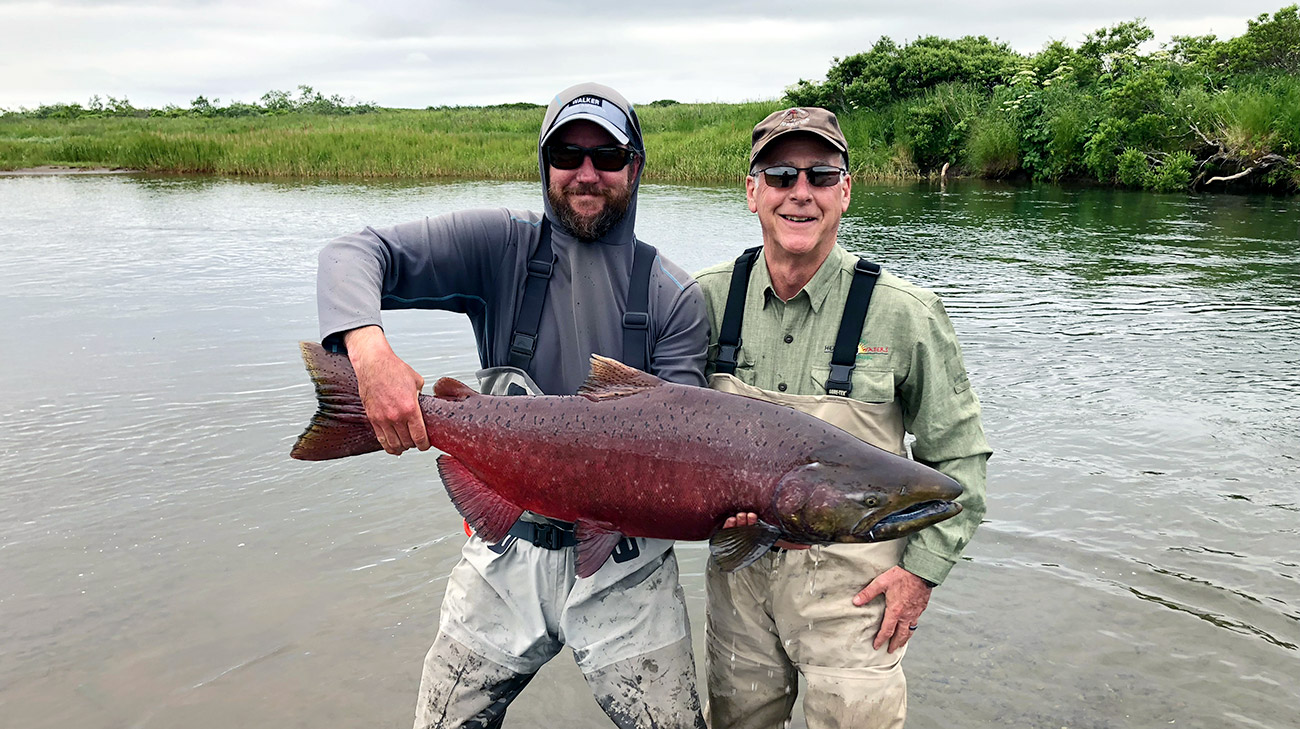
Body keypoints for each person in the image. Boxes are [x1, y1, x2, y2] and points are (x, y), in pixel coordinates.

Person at [315, 82, 709, 729]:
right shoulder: (499, 245)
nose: (586, 172)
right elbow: (352, 254)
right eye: (567, 153)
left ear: (635, 167)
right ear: (543, 163)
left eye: (607, 156)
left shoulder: (676, 298)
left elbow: (679, 454)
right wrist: (367, 352)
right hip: (504, 553)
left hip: (627, 570)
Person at [693, 107, 991, 728]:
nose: (800, 193)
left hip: (857, 597)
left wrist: (921, 576)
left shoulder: (906, 313)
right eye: (780, 175)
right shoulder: (702, 299)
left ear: (846, 192)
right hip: (737, 585)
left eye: (821, 175)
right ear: (752, 192)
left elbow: (959, 463)